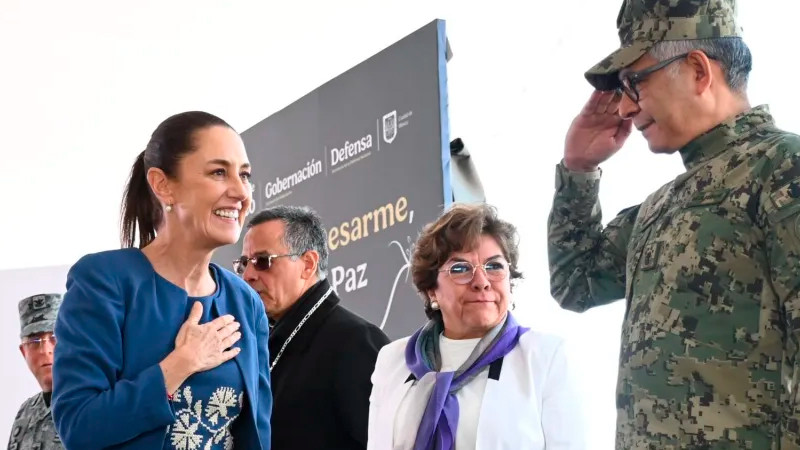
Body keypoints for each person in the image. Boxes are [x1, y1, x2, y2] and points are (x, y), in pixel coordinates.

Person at [547, 0, 800, 447]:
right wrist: (578, 170)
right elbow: (575, 282)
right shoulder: (661, 206)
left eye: (635, 83)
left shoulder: (782, 169)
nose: (625, 109)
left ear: (698, 71)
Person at [51, 111, 272, 449]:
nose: (241, 192)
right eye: (218, 172)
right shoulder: (104, 281)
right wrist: (181, 364)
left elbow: (257, 434)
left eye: (245, 175)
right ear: (163, 185)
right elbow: (79, 426)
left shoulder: (246, 302)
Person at [369, 203, 583, 450]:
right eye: (460, 269)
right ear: (431, 290)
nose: (481, 282)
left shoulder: (546, 356)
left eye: (494, 266)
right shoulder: (393, 360)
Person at [236, 205, 390, 449]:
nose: (247, 275)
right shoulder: (267, 342)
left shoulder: (355, 341)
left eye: (262, 261)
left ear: (308, 264)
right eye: (244, 263)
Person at [8, 294, 64, 450]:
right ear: (24, 352)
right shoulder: (25, 413)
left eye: (55, 337)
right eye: (34, 341)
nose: (45, 350)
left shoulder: (93, 406)